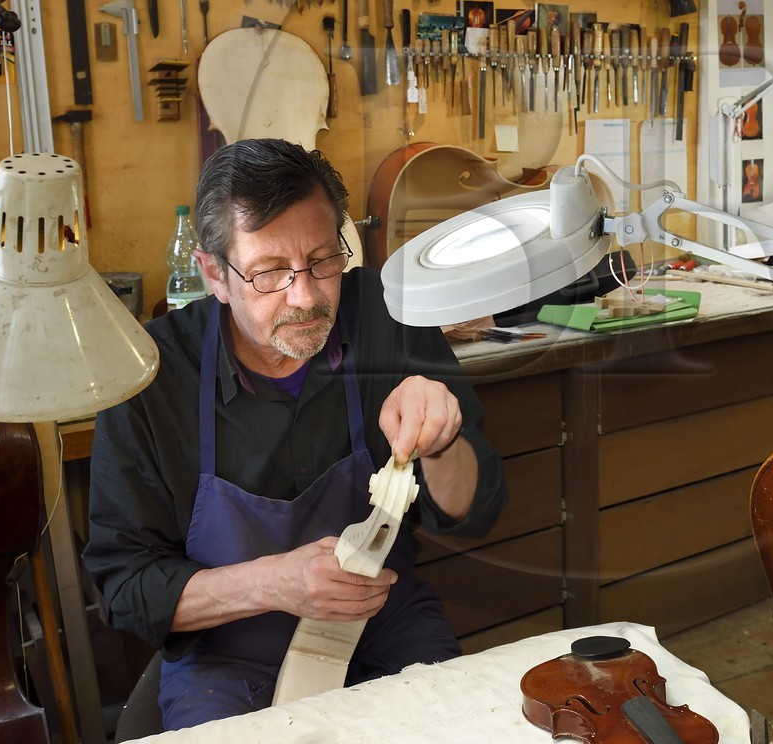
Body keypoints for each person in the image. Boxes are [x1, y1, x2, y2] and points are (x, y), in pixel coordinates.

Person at [85, 139, 507, 730]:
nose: (305, 297)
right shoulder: (149, 376)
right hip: (227, 656)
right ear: (215, 275)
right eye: (269, 274)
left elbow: (475, 510)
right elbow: (128, 589)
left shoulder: (388, 318)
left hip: (383, 627)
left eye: (322, 261)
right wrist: (275, 583)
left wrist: (441, 445)